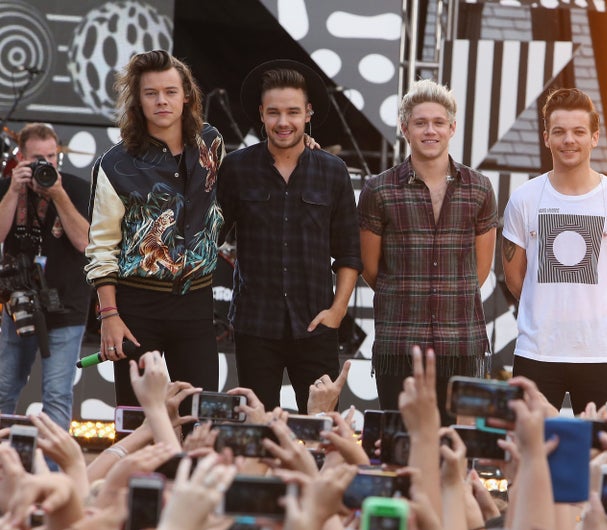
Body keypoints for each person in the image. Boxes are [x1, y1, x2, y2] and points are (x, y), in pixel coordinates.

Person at [218, 59, 362, 413]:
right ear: (261, 114)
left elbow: (348, 253)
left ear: (308, 113)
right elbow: (209, 235)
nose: (284, 122)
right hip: (255, 324)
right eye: (274, 112)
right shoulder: (236, 168)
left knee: (321, 430)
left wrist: (337, 311)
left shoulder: (333, 172)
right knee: (257, 430)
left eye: (293, 112)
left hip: (316, 325)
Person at [85, 49, 225, 407]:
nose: (162, 100)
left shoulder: (211, 143)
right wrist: (110, 316)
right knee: (134, 423)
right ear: (137, 100)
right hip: (136, 306)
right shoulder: (113, 165)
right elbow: (101, 248)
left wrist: (305, 148)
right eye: (151, 93)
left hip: (196, 302)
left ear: (187, 95)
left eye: (170, 91)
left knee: (199, 417)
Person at [357, 79, 497, 423]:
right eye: (420, 123)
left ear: (452, 128)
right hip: (400, 340)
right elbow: (370, 268)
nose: (429, 131)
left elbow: (480, 270)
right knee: (400, 447)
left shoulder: (479, 188)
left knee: (456, 449)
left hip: (460, 341)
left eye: (438, 123)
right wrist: (407, 294)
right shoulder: (379, 189)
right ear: (405, 128)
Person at [501, 87, 607, 413]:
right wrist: (545, 315)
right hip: (537, 353)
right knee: (528, 446)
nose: (569, 140)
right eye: (560, 132)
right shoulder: (524, 199)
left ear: (594, 137)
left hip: (599, 356)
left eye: (579, 131)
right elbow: (513, 278)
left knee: (598, 451)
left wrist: (603, 328)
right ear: (546, 137)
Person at [0, 123, 91, 431]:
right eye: (37, 158)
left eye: (51, 157)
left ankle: (53, 476)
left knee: (56, 395)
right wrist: (13, 190)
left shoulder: (76, 189)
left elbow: (84, 243)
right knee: (3, 390)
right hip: (19, 306)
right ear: (21, 159)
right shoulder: (8, 187)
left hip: (66, 305)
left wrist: (59, 194)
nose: (45, 165)